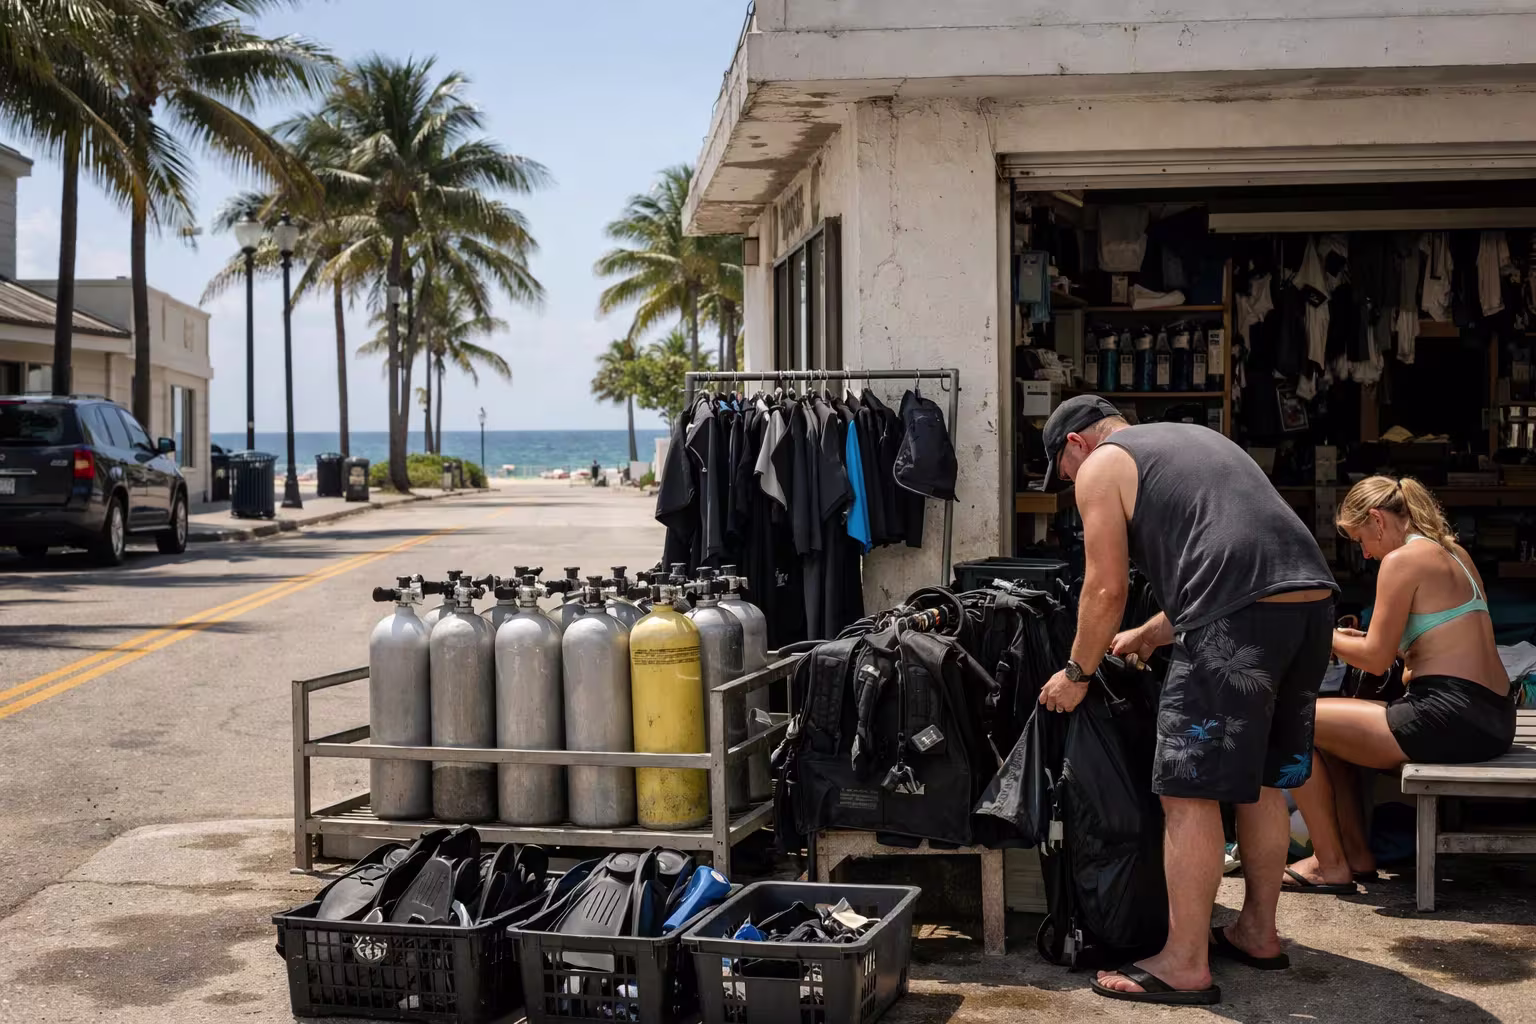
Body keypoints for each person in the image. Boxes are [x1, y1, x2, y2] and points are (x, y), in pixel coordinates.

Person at [1036, 395, 1337, 1006]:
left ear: (1075, 444)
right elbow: (1232, 559)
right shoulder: (1191, 441)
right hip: (1310, 601)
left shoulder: (1102, 465)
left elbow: (1105, 588)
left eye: (1063, 475)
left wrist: (1077, 672)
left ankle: (1184, 963)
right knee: (1261, 778)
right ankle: (1257, 932)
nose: (1070, 485)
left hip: (1240, 613)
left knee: (1187, 790)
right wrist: (1151, 634)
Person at [1284, 476, 1514, 892]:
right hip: (1495, 715)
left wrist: (1321, 634)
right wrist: (1360, 641)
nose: (1365, 554)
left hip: (1450, 715)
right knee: (1330, 736)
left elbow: (1375, 660)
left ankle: (1329, 863)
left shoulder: (1402, 560)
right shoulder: (1453, 551)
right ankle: (1355, 856)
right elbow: (1420, 643)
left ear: (1377, 520)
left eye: (1361, 540)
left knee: (1290, 720)